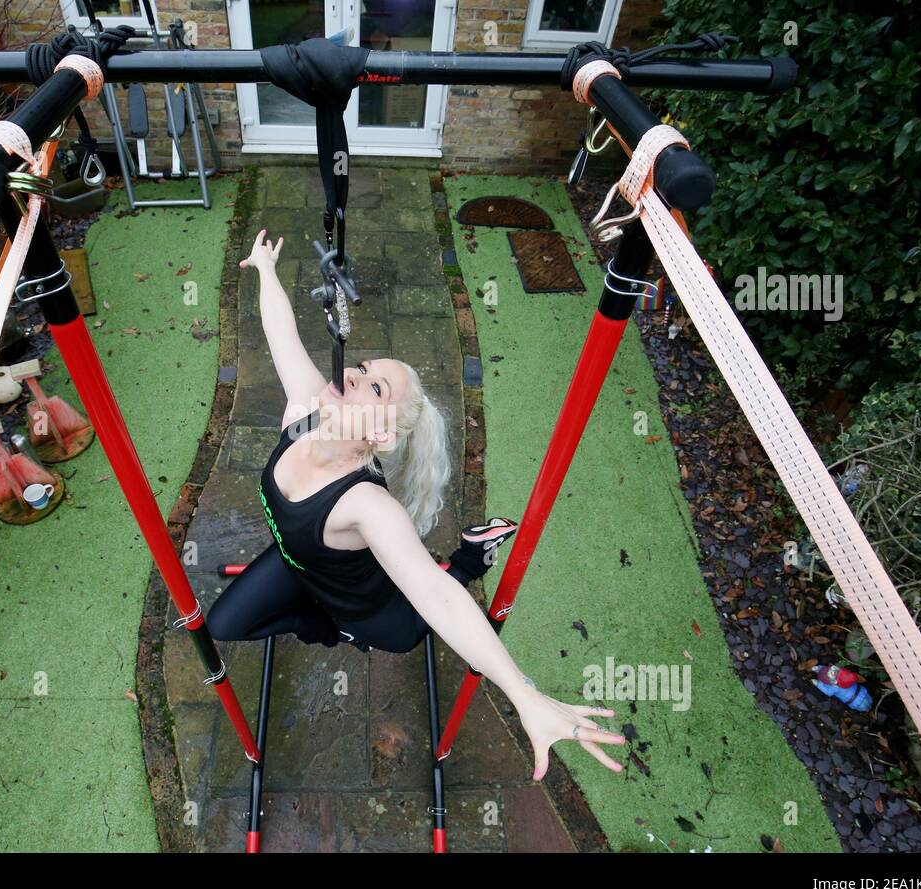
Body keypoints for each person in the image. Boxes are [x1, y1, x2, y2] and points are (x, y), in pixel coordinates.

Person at [205, 229, 625, 779]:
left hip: (373, 610)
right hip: (302, 566)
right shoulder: (304, 410)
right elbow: (279, 330)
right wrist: (265, 269)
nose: (353, 372)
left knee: (411, 623)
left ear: (379, 433)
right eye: (368, 367)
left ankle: (470, 557)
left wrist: (525, 695)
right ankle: (325, 617)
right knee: (223, 623)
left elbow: (437, 598)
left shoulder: (368, 506)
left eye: (375, 389)